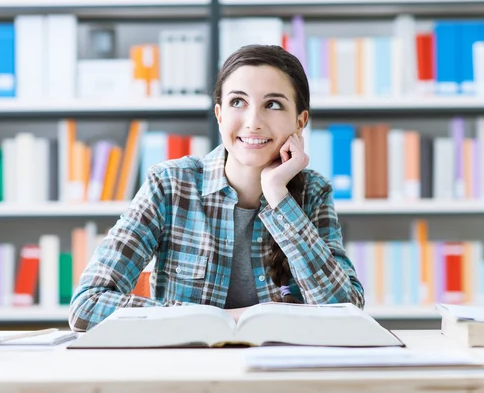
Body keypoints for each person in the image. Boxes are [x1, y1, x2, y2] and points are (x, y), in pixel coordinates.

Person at [69, 44, 365, 331]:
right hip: (189, 373)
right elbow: (87, 306)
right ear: (220, 114)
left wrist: (278, 196)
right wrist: (219, 319)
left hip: (280, 375)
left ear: (300, 122)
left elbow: (344, 313)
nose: (253, 122)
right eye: (238, 102)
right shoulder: (170, 185)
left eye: (272, 104)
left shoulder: (312, 193)